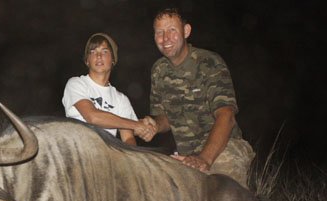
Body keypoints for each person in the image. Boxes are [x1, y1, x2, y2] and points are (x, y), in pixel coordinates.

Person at [144, 8, 255, 187]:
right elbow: (165, 118)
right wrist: (154, 125)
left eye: (172, 30)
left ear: (186, 31)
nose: (165, 39)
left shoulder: (209, 62)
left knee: (223, 196)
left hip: (225, 147)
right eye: (159, 32)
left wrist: (204, 159)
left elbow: (226, 116)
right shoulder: (158, 70)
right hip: (185, 154)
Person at [62, 33, 156, 145]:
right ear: (87, 60)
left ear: (113, 59)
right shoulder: (76, 83)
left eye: (104, 51)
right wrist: (136, 125)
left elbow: (128, 139)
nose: (98, 56)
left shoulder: (121, 99)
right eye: (93, 52)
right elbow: (92, 117)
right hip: (78, 153)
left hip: (106, 158)